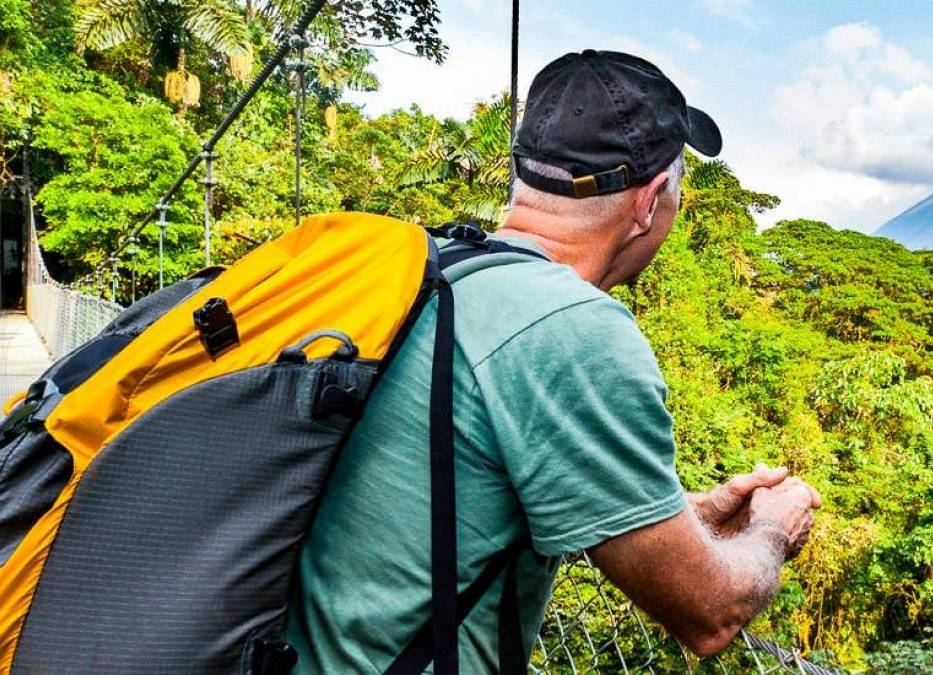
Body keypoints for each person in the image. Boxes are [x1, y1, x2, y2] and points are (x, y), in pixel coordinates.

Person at [285, 49, 822, 673]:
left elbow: (471, 492)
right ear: (650, 202)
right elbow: (709, 614)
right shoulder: (572, 330)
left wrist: (688, 515)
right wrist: (773, 531)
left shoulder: (427, 273)